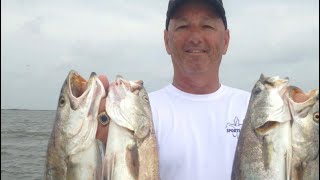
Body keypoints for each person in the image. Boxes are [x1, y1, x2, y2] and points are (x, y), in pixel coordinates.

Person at [96, 0, 251, 179]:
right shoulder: (139, 112)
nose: (195, 38)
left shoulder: (253, 110)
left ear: (226, 40)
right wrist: (100, 144)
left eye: (207, 26)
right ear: (166, 41)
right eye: (183, 26)